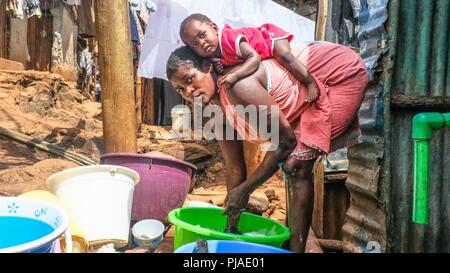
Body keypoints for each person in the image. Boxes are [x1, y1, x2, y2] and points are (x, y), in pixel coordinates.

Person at [166, 41, 368, 253]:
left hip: (338, 75)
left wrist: (245, 190)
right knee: (294, 165)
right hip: (306, 97)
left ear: (207, 67)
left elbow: (285, 142)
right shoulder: (216, 109)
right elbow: (234, 166)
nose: (189, 91)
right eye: (181, 89)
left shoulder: (238, 87)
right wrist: (230, 226)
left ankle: (297, 249)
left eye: (190, 80)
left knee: (296, 165)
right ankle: (298, 243)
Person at [179, 13, 320, 103]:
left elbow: (254, 57)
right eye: (195, 44)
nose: (202, 43)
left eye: (202, 35)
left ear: (214, 28)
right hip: (262, 56)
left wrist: (235, 76)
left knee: (285, 57)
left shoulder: (229, 39)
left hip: (269, 39)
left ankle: (310, 82)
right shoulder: (212, 57)